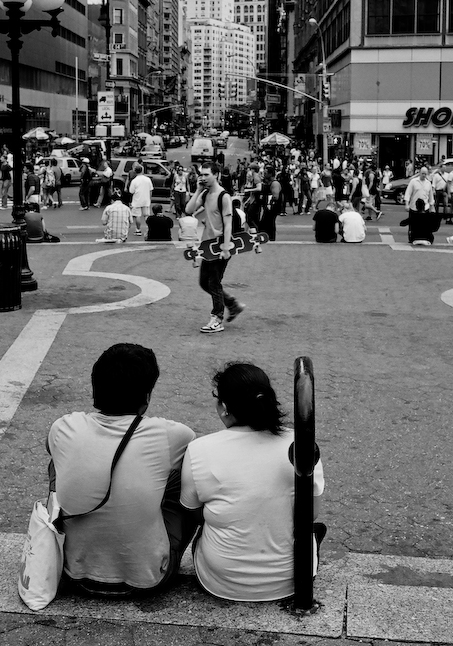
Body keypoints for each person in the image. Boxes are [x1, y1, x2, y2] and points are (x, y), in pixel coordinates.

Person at [47, 343, 196, 597]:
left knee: (56, 463)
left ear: (96, 388)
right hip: (148, 579)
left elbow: (52, 453)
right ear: (147, 396)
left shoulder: (63, 426)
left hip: (74, 576)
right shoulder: (172, 434)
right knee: (189, 472)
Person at [180, 362, 325, 602]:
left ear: (225, 407)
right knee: (314, 530)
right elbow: (311, 514)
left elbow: (193, 513)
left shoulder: (199, 450)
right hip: (292, 578)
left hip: (222, 579)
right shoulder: (301, 443)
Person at [185, 162, 244, 334]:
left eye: (206, 175)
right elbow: (189, 210)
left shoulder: (223, 196)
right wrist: (197, 190)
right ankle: (233, 305)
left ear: (216, 175)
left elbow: (227, 224)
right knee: (204, 282)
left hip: (220, 244)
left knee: (213, 282)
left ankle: (217, 318)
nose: (202, 177)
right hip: (207, 244)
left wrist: (226, 247)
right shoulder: (205, 194)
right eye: (201, 175)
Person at [129, 163, 153, 237]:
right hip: (146, 200)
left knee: (137, 216)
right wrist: (149, 199)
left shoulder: (134, 181)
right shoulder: (147, 179)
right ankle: (149, 229)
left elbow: (131, 191)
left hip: (137, 200)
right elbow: (150, 190)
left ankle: (138, 230)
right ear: (142, 171)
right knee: (146, 216)